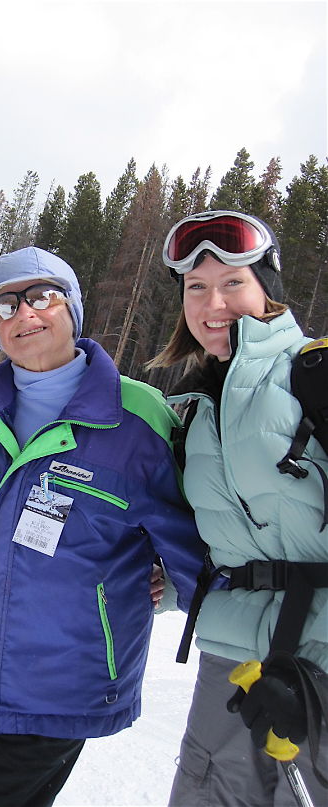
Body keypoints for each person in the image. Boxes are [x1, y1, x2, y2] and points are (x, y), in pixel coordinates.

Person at [0, 246, 209, 807]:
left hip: (58, 690)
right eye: (3, 307)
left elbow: (202, 541)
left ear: (72, 310)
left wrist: (171, 584)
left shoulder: (139, 418)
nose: (23, 315)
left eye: (40, 297)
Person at [147, 210, 328, 806]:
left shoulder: (317, 375)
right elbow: (215, 538)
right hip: (232, 659)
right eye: (196, 288)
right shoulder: (193, 411)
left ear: (267, 290)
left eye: (232, 283)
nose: (212, 302)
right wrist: (167, 583)